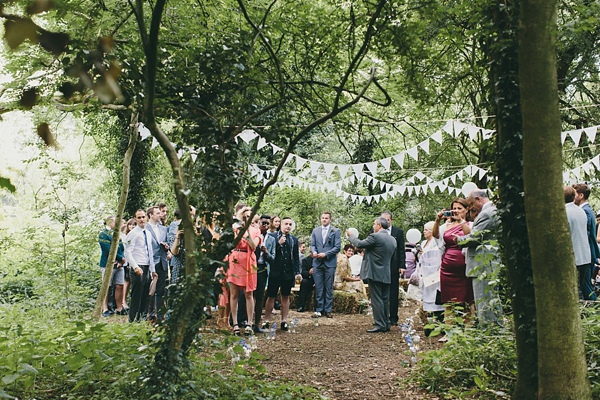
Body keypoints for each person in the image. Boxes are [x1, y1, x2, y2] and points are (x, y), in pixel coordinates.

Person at [457, 190, 502, 324]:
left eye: (471, 204)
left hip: (483, 264)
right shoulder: (491, 211)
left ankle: (489, 331)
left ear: (478, 199)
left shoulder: (486, 214)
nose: (470, 208)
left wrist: (458, 240)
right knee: (488, 300)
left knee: (484, 301)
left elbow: (474, 237)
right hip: (485, 263)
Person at [347, 217, 397, 333]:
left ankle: (379, 324)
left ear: (379, 225)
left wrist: (351, 235)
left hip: (374, 272)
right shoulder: (393, 240)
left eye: (374, 224)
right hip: (386, 272)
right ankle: (386, 323)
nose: (373, 226)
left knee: (376, 299)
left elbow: (359, 244)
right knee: (385, 299)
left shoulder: (375, 237)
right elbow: (393, 258)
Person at [432, 198, 473, 318]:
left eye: (459, 208)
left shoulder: (471, 224)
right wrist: (437, 220)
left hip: (464, 267)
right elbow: (436, 235)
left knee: (466, 300)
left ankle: (468, 331)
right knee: (448, 301)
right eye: (454, 208)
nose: (456, 211)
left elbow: (469, 236)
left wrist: (461, 221)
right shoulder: (447, 226)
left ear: (466, 210)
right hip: (447, 268)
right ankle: (449, 332)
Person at [263, 217, 302, 331]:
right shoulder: (272, 237)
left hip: (288, 273)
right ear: (281, 225)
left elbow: (295, 257)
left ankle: (284, 321)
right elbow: (268, 253)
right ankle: (266, 320)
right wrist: (278, 244)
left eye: (290, 224)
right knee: (271, 296)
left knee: (285, 296)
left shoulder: (294, 240)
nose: (288, 226)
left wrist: (297, 272)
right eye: (286, 224)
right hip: (275, 271)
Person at [227, 206, 259, 335]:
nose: (246, 218)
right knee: (234, 293)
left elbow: (253, 245)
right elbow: (232, 244)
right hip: (235, 260)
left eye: (249, 216)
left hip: (248, 261)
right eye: (244, 216)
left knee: (248, 294)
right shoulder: (234, 229)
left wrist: (247, 232)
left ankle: (249, 323)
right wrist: (239, 230)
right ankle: (234, 324)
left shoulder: (256, 231)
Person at [123, 209, 158, 322]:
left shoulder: (147, 233)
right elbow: (127, 252)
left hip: (147, 266)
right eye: (139, 217)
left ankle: (140, 318)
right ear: (135, 219)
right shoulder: (132, 234)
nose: (142, 219)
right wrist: (135, 267)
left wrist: (152, 270)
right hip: (138, 267)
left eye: (143, 217)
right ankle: (132, 320)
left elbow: (150, 252)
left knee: (145, 295)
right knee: (136, 295)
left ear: (146, 217)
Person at [309, 211, 341, 318]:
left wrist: (325, 254)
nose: (324, 220)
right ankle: (318, 309)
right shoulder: (315, 231)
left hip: (329, 262)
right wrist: (314, 252)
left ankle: (328, 309)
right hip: (317, 262)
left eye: (326, 218)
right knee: (318, 286)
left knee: (328, 287)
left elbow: (337, 247)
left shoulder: (335, 231)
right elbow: (312, 244)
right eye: (322, 218)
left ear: (330, 219)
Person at [565, 186, 593, 299]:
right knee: (579, 289)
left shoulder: (564, 212)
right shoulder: (581, 211)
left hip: (574, 257)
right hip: (585, 256)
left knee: (573, 292)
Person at [573, 183, 599, 300]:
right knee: (585, 284)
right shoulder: (586, 210)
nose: (573, 197)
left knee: (586, 285)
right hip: (587, 253)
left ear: (581, 195)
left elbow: (585, 234)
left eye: (575, 194)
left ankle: (595, 309)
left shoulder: (585, 212)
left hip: (586, 253)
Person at [379, 211, 405, 326]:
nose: (385, 222)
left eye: (387, 220)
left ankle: (393, 317)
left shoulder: (398, 232)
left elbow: (401, 250)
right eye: (383, 220)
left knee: (393, 293)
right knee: (381, 292)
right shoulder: (376, 231)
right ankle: (383, 317)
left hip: (394, 265)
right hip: (381, 266)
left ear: (391, 220)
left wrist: (402, 265)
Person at [98, 216, 126, 317]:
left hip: (119, 264)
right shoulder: (103, 234)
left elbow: (122, 247)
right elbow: (107, 249)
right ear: (110, 222)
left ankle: (119, 308)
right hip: (107, 264)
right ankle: (104, 308)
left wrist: (121, 260)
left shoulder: (117, 234)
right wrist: (119, 258)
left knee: (120, 285)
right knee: (107, 286)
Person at [252, 215, 276, 332]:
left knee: (260, 296)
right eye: (263, 223)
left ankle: (256, 324)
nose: (264, 225)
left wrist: (266, 252)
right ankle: (247, 322)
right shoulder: (254, 234)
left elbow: (273, 258)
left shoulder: (271, 239)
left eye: (267, 223)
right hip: (251, 267)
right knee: (249, 295)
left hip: (263, 268)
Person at [419, 221, 444, 335]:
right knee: (427, 298)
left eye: (426, 230)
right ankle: (429, 322)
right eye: (423, 230)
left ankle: (439, 322)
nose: (424, 232)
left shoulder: (435, 241)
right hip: (425, 270)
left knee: (436, 297)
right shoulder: (424, 242)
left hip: (435, 271)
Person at [146, 206, 170, 320]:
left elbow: (168, 244)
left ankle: (160, 316)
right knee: (148, 289)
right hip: (149, 262)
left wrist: (166, 246)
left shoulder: (164, 229)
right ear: (151, 215)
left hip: (162, 262)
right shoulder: (145, 228)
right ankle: (148, 314)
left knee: (160, 290)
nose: (160, 215)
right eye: (157, 213)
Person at [121, 218, 136, 312]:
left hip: (136, 260)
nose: (132, 226)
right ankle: (123, 301)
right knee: (127, 281)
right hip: (127, 262)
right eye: (130, 225)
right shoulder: (125, 236)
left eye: (133, 225)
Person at [297, 246, 315, 312]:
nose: (311, 253)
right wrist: (309, 273)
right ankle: (301, 305)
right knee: (304, 282)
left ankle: (318, 308)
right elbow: (303, 273)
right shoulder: (305, 260)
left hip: (318, 281)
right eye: (310, 252)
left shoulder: (320, 260)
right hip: (309, 280)